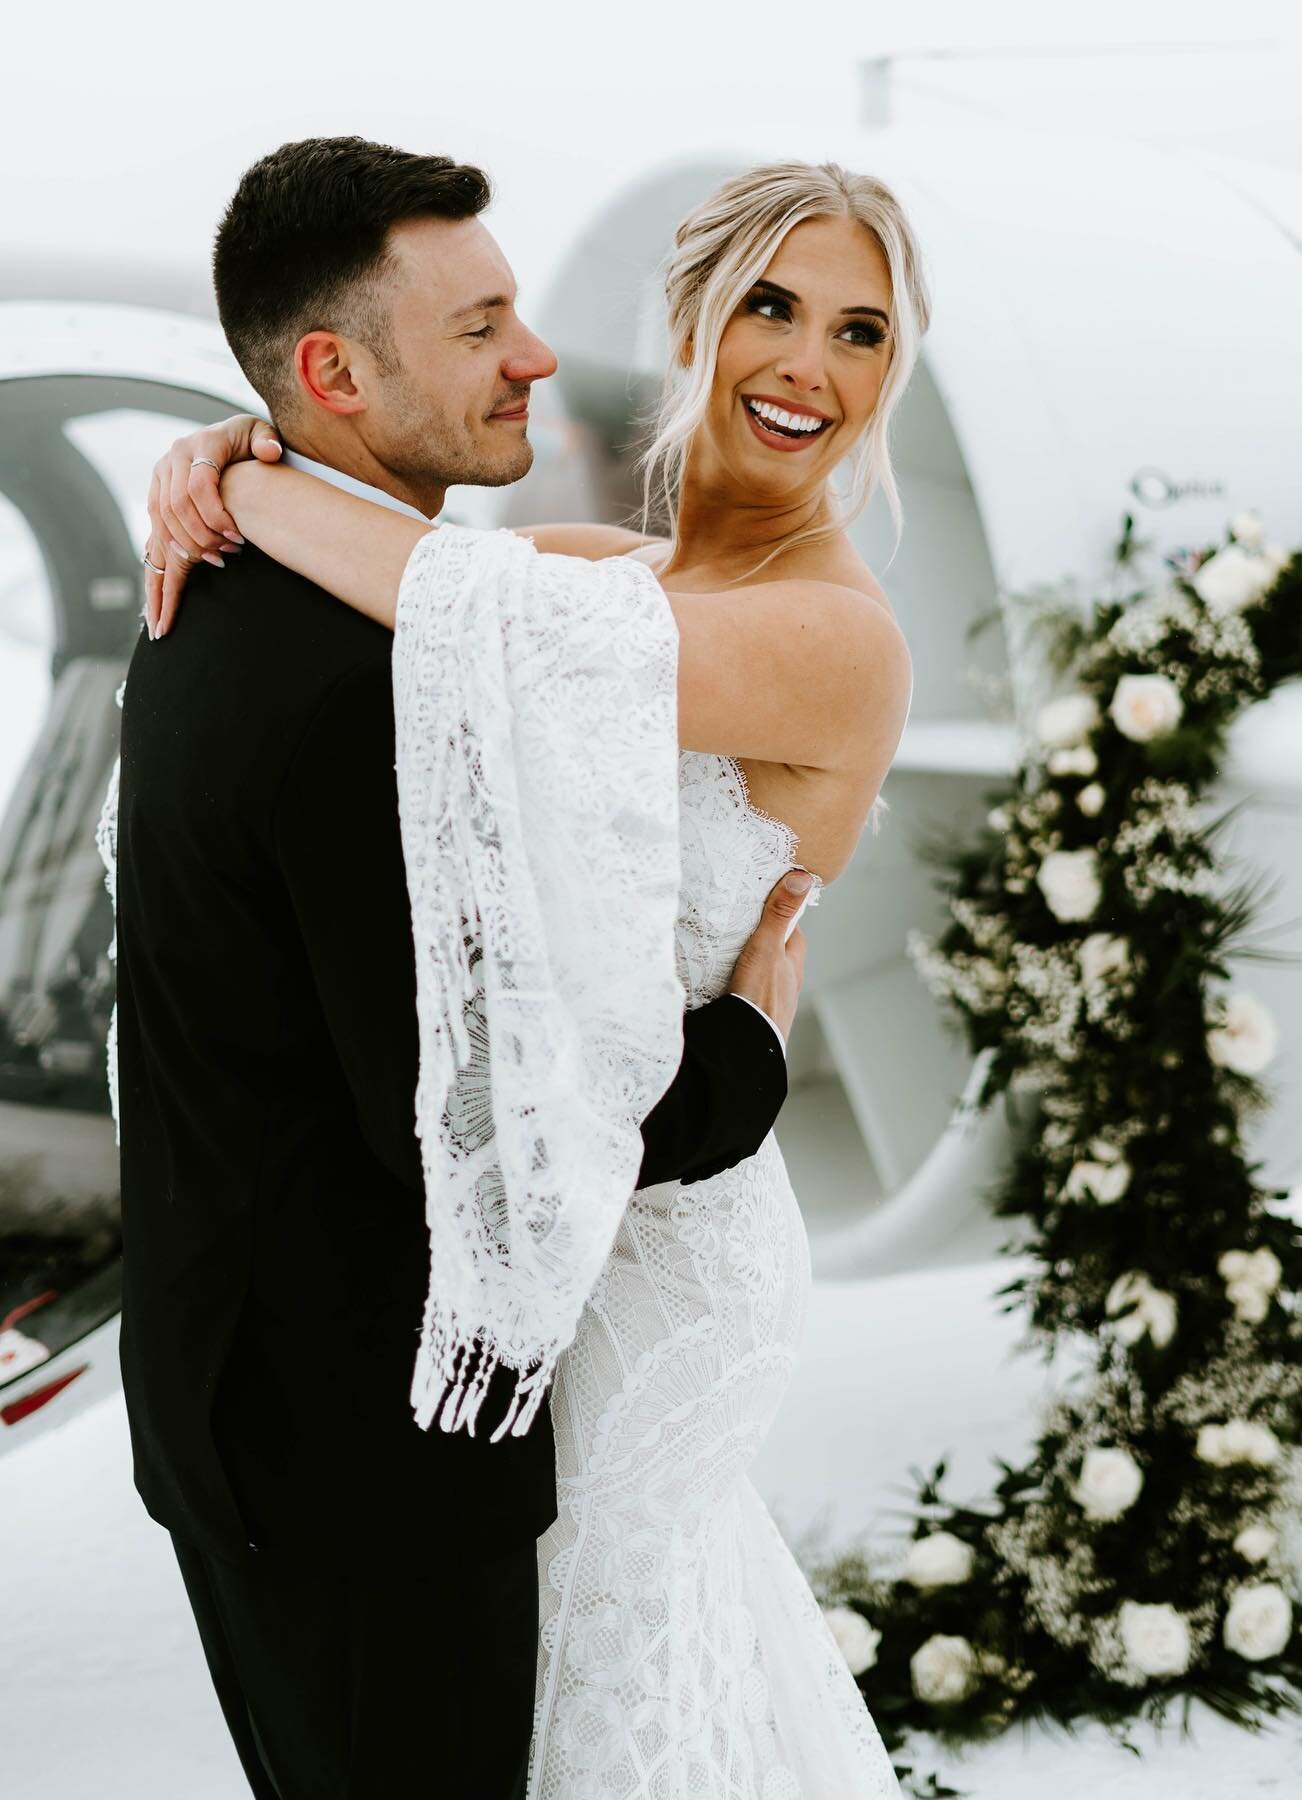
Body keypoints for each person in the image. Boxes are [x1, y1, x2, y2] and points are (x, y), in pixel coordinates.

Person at [141, 139, 927, 1797]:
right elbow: (431, 601)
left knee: (614, 1667)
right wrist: (228, 453)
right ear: (693, 318)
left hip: (663, 1240)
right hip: (523, 1237)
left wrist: (252, 469)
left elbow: (439, 608)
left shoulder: (834, 640)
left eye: (862, 332)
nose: (808, 362)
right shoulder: (591, 575)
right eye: (772, 305)